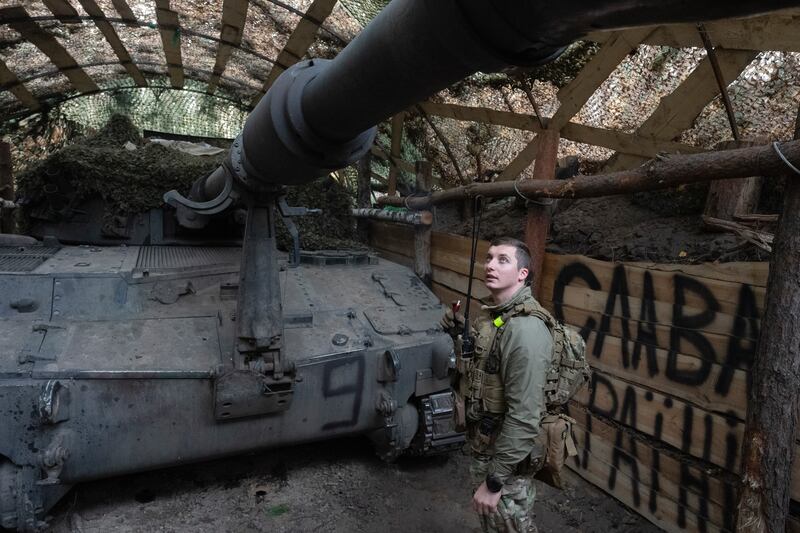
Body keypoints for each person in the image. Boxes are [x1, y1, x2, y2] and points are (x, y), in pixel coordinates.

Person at [442, 236, 553, 533]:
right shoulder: (499, 317)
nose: (490, 265)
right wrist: (458, 330)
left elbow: (525, 415)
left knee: (511, 526)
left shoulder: (525, 329)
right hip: (488, 448)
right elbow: (486, 364)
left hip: (506, 462)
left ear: (522, 274)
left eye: (503, 260)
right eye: (489, 258)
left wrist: (494, 481)